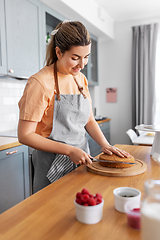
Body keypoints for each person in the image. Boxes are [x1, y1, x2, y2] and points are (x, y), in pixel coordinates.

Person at [18, 20, 130, 193]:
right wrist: (69, 150)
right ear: (59, 52)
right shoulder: (40, 83)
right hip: (50, 165)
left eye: (86, 57)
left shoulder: (80, 79)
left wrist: (105, 145)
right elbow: (25, 135)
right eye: (75, 58)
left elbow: (89, 120)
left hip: (80, 160)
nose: (82, 64)